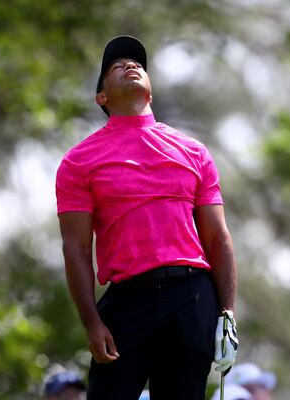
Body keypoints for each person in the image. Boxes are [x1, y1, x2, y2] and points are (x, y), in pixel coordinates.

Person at [55, 35, 238, 399]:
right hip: (127, 302)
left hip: (192, 298)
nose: (129, 65)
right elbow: (75, 249)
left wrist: (227, 313)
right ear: (101, 98)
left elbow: (218, 238)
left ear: (150, 92)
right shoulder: (78, 162)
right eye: (114, 66)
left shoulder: (194, 151)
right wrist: (91, 322)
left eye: (137, 63)